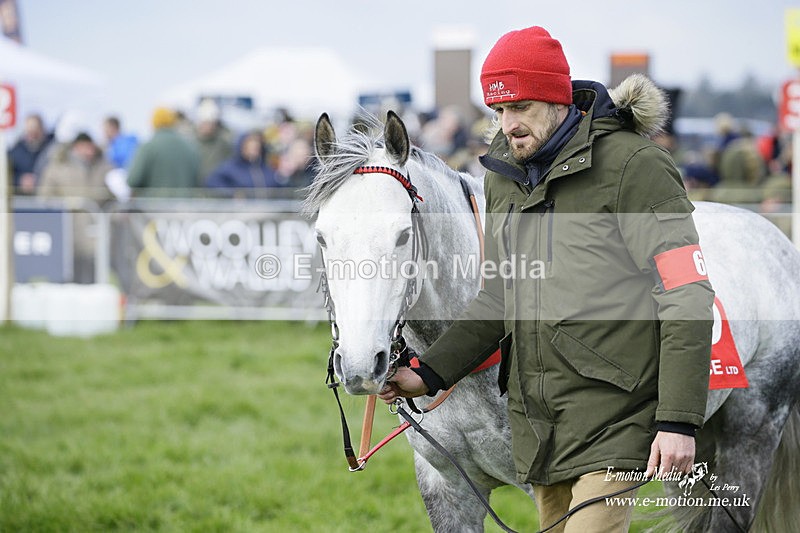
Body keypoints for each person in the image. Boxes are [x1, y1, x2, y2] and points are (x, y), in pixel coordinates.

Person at [379, 26, 715, 532]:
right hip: (540, 424)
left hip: (617, 419)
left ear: (558, 99)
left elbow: (685, 294)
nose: (507, 125)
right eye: (498, 110)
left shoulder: (636, 165)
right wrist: (427, 373)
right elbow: (499, 294)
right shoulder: (502, 176)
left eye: (521, 107)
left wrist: (677, 421)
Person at [37, 132, 114, 283]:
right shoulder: (58, 166)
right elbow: (45, 196)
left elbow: (113, 197)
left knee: (92, 271)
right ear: (76, 147)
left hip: (93, 228)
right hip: (65, 229)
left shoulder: (103, 167)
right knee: (65, 270)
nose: (88, 151)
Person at [127, 107, 200, 195]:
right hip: (185, 206)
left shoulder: (148, 147)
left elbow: (133, 180)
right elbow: (197, 180)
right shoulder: (190, 147)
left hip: (153, 206)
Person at [206, 130, 283, 197]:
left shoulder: (267, 169)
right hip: (242, 211)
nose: (254, 149)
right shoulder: (232, 167)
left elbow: (280, 187)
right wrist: (232, 193)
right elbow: (212, 182)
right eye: (250, 146)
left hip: (267, 210)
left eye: (256, 146)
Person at [7, 113, 53, 194]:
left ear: (42, 129)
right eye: (29, 131)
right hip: (21, 198)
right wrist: (20, 180)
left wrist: (39, 180)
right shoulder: (15, 151)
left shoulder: (52, 149)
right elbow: (7, 174)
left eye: (35, 131)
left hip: (46, 197)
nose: (32, 135)